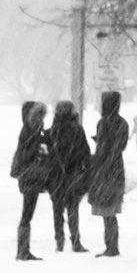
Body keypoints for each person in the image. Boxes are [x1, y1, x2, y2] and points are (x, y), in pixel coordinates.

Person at [85, 89, 130, 260]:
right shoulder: (123, 123)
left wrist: (100, 146)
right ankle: (112, 245)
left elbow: (106, 147)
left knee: (106, 211)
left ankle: (111, 246)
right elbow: (119, 145)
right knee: (110, 210)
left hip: (104, 169)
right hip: (116, 168)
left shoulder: (103, 123)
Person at [44, 98, 91, 255]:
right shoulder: (77, 130)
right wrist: (86, 170)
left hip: (55, 176)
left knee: (57, 209)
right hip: (73, 175)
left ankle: (59, 241)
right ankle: (76, 241)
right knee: (73, 208)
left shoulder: (51, 131)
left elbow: (46, 154)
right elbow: (85, 152)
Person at [9, 99, 50, 262]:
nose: (42, 119)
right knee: (27, 213)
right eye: (38, 116)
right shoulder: (29, 132)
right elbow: (28, 154)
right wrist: (40, 149)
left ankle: (23, 249)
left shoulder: (31, 131)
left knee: (28, 212)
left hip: (30, 176)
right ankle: (23, 250)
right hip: (30, 176)